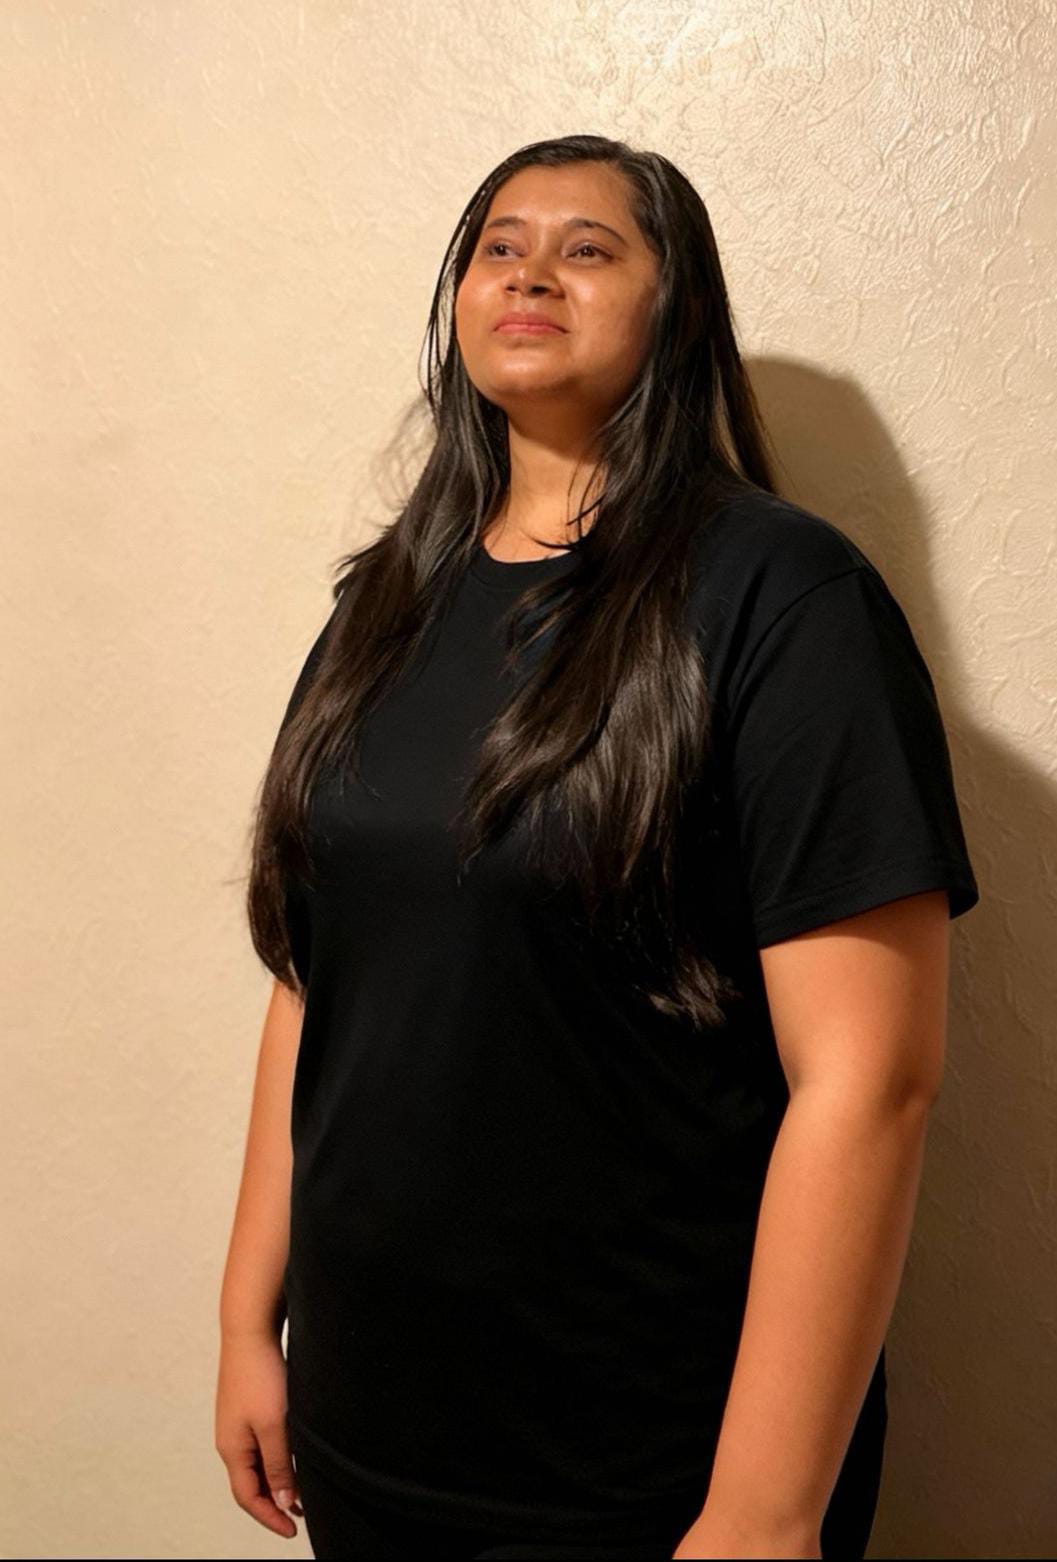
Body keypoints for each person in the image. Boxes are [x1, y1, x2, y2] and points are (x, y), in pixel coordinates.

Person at [215, 134, 979, 1560]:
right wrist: (247, 1321)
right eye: (499, 246)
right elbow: (316, 983)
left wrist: (763, 1512)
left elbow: (870, 1079)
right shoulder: (383, 606)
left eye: (587, 248)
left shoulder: (782, 596)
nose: (529, 274)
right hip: (371, 1426)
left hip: (647, 1461)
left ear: (675, 307)